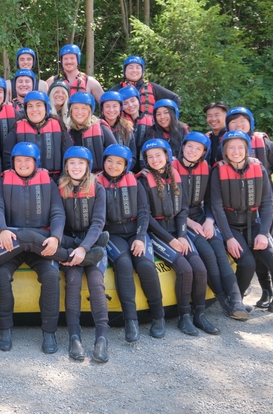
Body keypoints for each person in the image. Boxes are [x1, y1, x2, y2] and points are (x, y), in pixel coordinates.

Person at [0, 142, 100, 353]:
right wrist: (2, 229)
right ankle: (5, 329)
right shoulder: (3, 181)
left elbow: (57, 213)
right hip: (12, 241)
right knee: (2, 275)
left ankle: (49, 333)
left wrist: (56, 238)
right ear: (13, 163)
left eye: (27, 160)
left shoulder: (48, 182)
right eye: (18, 160)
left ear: (36, 162)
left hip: (41, 241)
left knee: (51, 276)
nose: (22, 164)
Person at [210, 130, 273, 333]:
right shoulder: (218, 170)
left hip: (254, 224)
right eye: (231, 148)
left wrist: (263, 232)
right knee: (247, 262)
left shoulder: (258, 167)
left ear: (246, 149)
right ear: (225, 151)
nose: (236, 151)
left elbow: (267, 203)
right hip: (231, 225)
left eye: (240, 147)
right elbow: (216, 207)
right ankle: (236, 301)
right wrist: (228, 238)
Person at [137, 139, 214, 336]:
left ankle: (199, 314)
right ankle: (184, 316)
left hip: (177, 230)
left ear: (167, 156)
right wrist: (171, 240)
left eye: (158, 155)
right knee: (185, 269)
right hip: (157, 233)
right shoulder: (143, 180)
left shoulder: (176, 176)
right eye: (150, 157)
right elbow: (147, 217)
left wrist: (181, 235)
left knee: (200, 268)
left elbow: (183, 209)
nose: (154, 160)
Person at [172, 132, 248, 321]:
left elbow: (211, 201)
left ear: (204, 152)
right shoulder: (171, 167)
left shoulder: (206, 167)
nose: (193, 151)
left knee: (219, 251)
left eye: (198, 149)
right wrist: (189, 222)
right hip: (180, 219)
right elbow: (170, 206)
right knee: (207, 253)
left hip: (201, 216)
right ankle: (225, 302)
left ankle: (237, 300)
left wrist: (209, 221)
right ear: (183, 147)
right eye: (189, 146)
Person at [98, 144, 165, 341]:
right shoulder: (97, 183)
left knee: (145, 264)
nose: (113, 165)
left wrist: (140, 238)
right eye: (109, 161)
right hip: (113, 233)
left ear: (126, 165)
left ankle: (158, 316)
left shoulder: (134, 182)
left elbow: (144, 212)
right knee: (124, 263)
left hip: (136, 230)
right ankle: (130, 320)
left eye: (119, 162)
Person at [225, 107, 273, 312]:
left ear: (251, 123)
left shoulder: (264, 142)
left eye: (243, 121)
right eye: (233, 122)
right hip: (245, 208)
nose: (238, 125)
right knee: (254, 251)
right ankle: (266, 290)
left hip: (267, 204)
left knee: (272, 248)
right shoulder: (228, 145)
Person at [57, 147, 110, 362]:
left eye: (81, 163)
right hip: (70, 242)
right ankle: (74, 336)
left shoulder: (98, 187)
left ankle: (102, 338)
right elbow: (57, 219)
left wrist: (83, 248)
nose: (76, 167)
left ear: (87, 166)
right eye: (72, 163)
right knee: (73, 281)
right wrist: (74, 248)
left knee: (96, 283)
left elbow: (98, 222)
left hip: (90, 241)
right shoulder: (59, 187)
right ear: (66, 166)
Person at [2, 91, 73, 181]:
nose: (34, 109)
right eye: (30, 106)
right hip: (25, 183)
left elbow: (69, 157)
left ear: (46, 108)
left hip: (56, 181)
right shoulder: (16, 129)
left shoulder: (59, 127)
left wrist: (62, 181)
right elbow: (7, 161)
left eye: (38, 105)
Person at [110, 56, 181, 116]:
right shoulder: (117, 90)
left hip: (149, 129)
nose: (134, 70)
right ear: (125, 71)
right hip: (125, 129)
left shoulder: (152, 87)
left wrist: (163, 115)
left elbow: (175, 99)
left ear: (142, 71)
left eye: (138, 67)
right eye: (130, 67)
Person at [66, 92, 116, 173]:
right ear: (71, 111)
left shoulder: (102, 128)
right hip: (78, 176)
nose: (79, 112)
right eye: (75, 108)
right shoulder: (69, 133)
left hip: (101, 177)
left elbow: (116, 156)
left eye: (84, 108)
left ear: (90, 111)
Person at [100, 90, 138, 169]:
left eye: (115, 106)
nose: (111, 110)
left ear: (120, 108)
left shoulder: (127, 127)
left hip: (122, 171)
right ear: (102, 108)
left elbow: (133, 156)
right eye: (107, 106)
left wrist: (123, 170)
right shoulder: (96, 127)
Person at [119, 85, 153, 158]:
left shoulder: (151, 121)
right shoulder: (119, 123)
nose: (130, 105)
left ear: (139, 100)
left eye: (133, 100)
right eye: (125, 103)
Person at [204, 101, 229, 166]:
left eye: (217, 115)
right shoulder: (206, 138)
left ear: (226, 116)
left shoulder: (231, 137)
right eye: (209, 116)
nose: (213, 119)